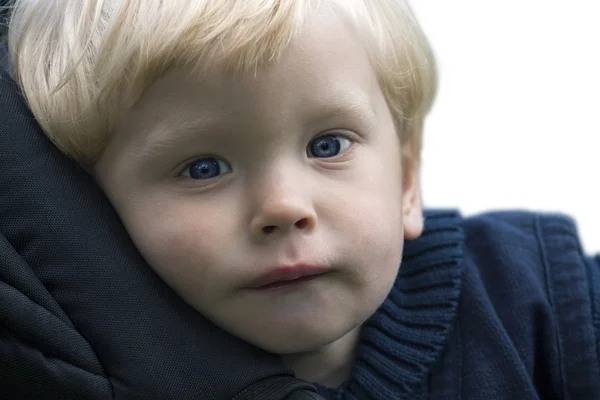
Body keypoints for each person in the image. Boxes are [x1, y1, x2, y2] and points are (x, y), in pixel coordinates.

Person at [5, 0, 599, 398]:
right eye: (203, 167)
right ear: (96, 213)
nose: (285, 206)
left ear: (407, 180)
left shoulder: (537, 297)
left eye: (327, 144)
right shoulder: (93, 362)